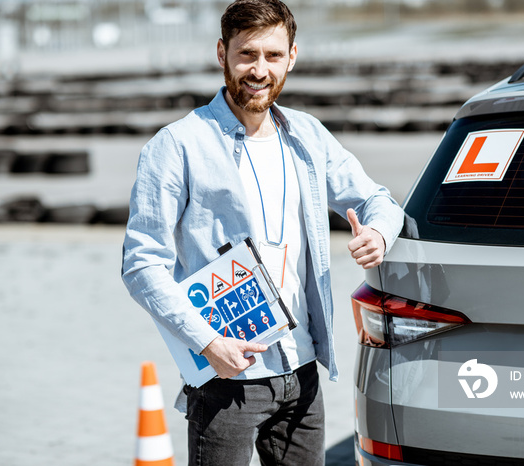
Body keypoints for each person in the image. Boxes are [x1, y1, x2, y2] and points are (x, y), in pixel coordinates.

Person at [121, 0, 404, 464]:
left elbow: (379, 200)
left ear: (292, 56)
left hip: (303, 369)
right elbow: (140, 265)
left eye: (273, 56)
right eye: (247, 54)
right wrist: (208, 344)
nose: (259, 69)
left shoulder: (309, 136)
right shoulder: (176, 146)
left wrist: (378, 233)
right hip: (225, 376)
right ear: (221, 53)